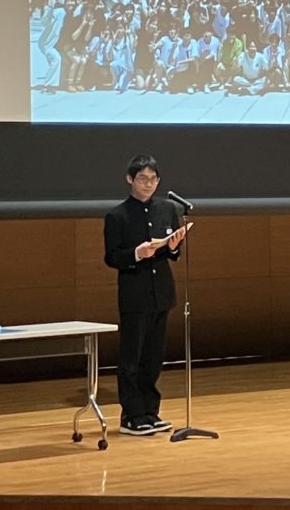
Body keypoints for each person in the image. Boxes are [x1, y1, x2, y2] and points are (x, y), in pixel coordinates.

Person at [103, 155, 187, 436]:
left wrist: (173, 247)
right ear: (130, 179)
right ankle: (132, 415)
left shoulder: (167, 209)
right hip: (134, 295)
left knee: (153, 357)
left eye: (153, 179)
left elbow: (172, 254)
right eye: (142, 179)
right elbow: (111, 257)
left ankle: (151, 411)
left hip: (161, 292)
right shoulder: (117, 216)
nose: (148, 184)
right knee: (131, 358)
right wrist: (137, 254)